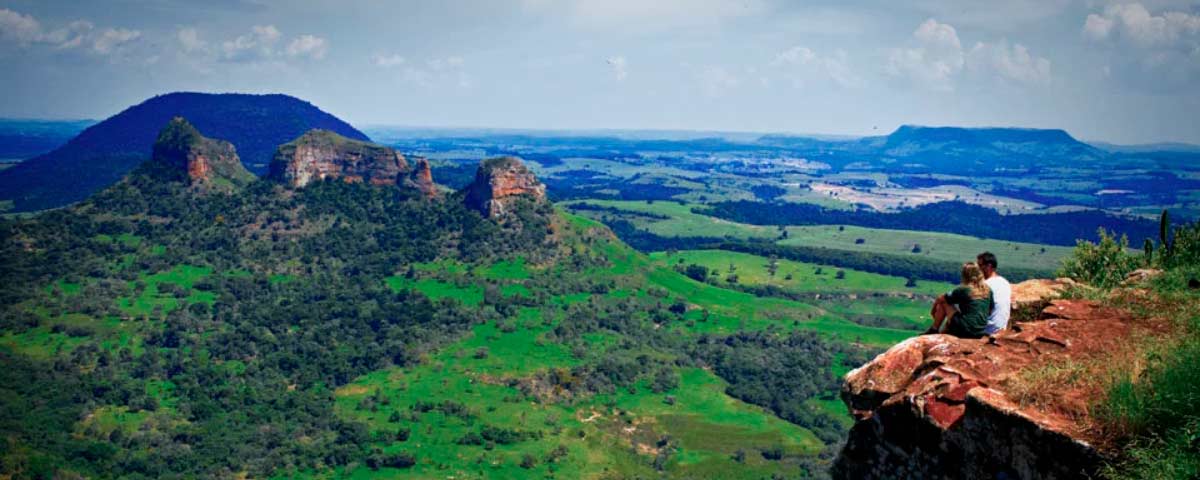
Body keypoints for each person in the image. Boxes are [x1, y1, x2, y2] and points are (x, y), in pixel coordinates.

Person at [925, 262, 994, 338]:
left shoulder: (964, 289)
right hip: (979, 331)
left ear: (965, 275)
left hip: (964, 328)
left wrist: (933, 310)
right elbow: (990, 311)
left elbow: (941, 298)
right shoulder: (988, 290)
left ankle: (934, 329)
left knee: (944, 302)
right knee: (958, 312)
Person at [977, 252, 1011, 334]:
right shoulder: (1005, 282)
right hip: (1001, 328)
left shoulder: (985, 285)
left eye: (980, 265)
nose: (978, 268)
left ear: (989, 266)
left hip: (988, 329)